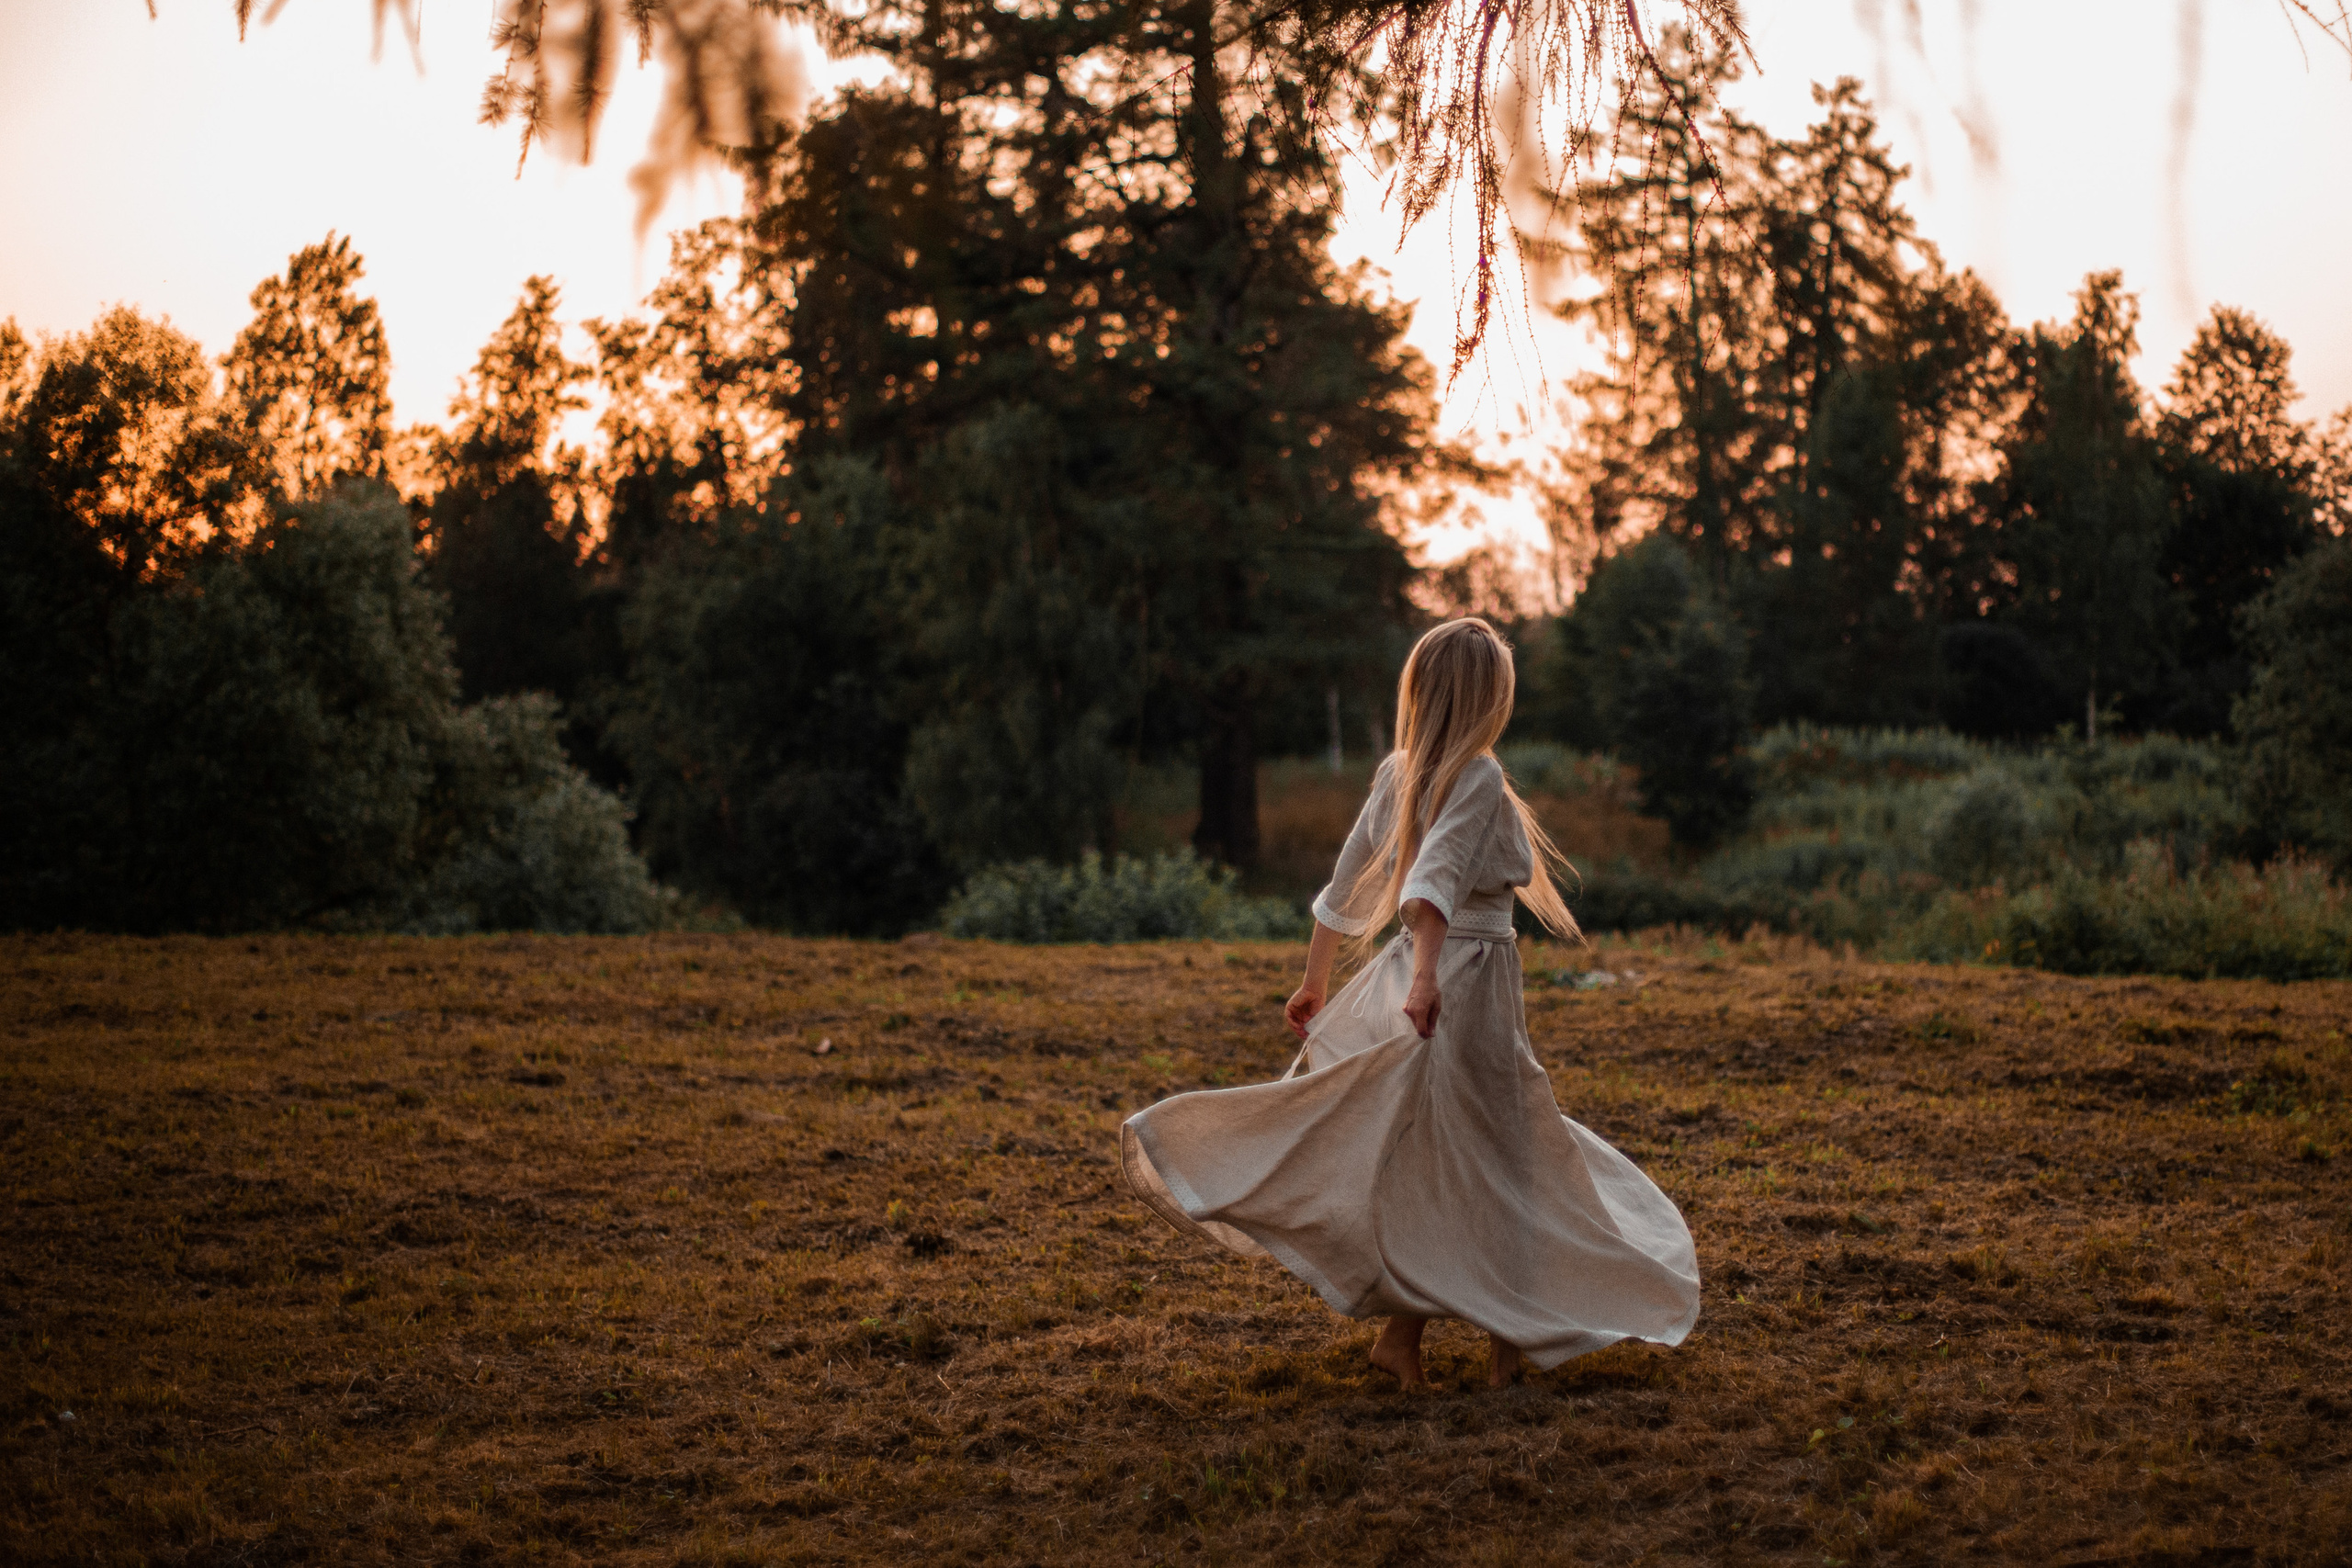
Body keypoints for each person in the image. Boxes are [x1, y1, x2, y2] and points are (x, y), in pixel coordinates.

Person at [1120, 617, 1700, 1389]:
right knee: (1509, 1154)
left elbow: (1344, 884)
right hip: (1461, 980)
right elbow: (1431, 884)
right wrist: (1428, 979)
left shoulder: (1403, 771)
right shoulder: (1478, 775)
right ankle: (1505, 1340)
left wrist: (1314, 979)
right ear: (1489, 696)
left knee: (1446, 1148)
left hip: (1429, 978)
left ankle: (1425, 1337)